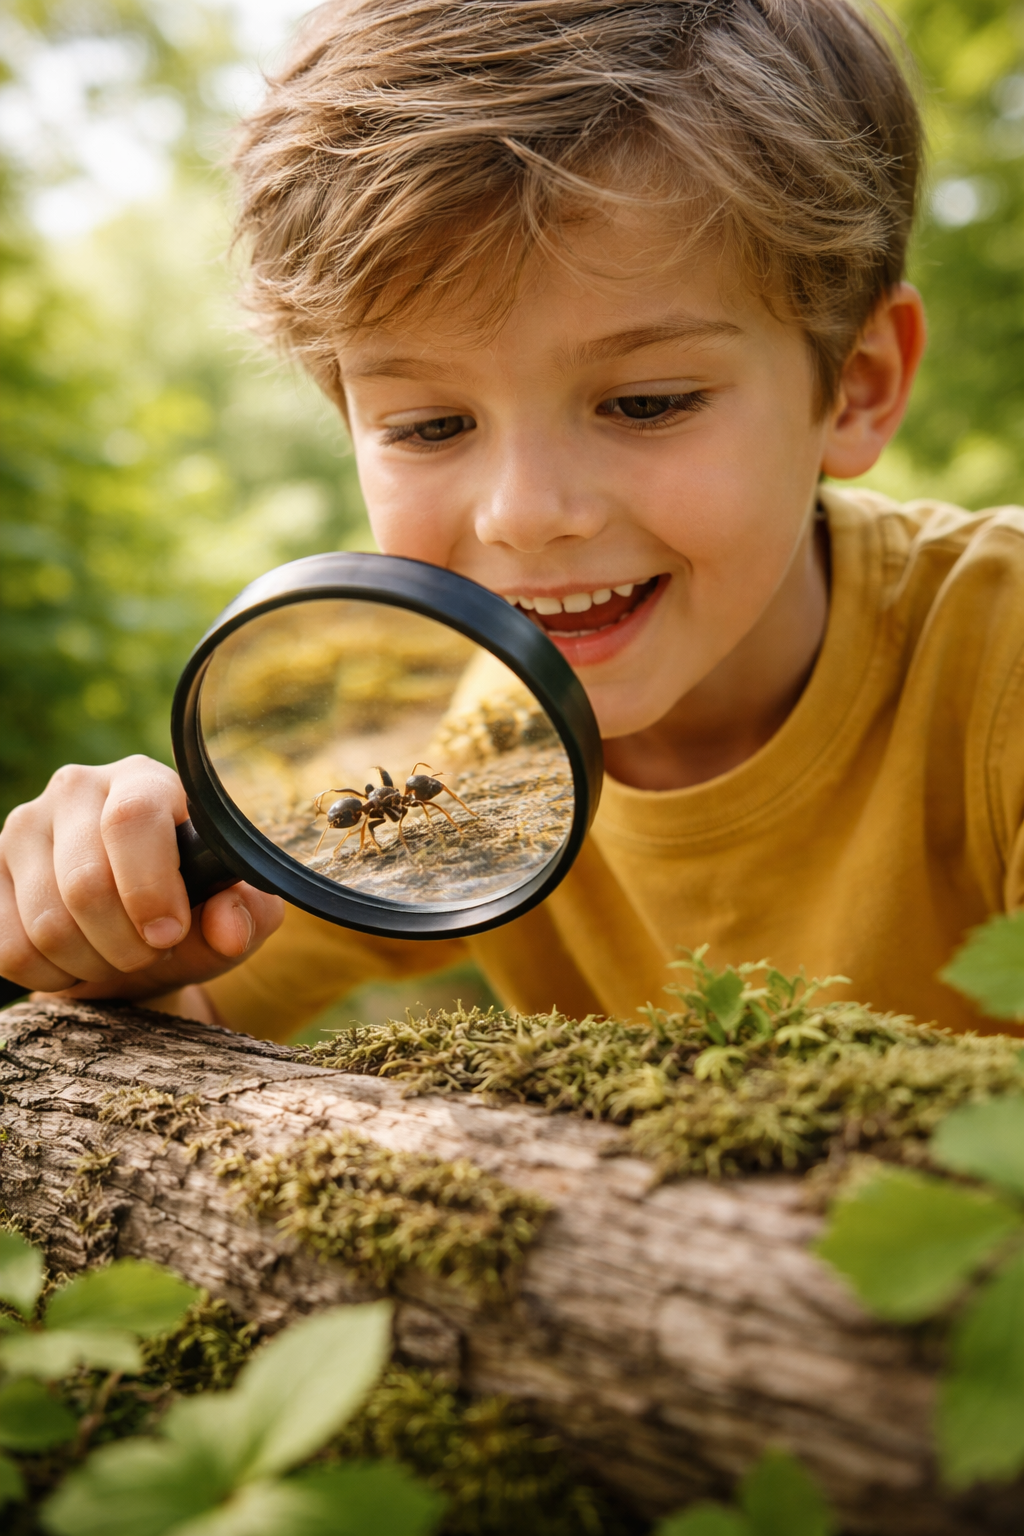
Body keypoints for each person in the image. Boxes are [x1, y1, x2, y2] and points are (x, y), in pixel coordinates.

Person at [2, 0, 1021, 1040]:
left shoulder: (1002, 666)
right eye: (433, 424)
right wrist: (124, 939)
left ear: (855, 388)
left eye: (647, 403)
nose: (526, 515)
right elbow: (191, 1009)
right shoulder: (438, 745)